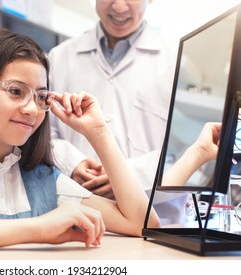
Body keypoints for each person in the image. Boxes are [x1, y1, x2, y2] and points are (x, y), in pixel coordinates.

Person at [0, 28, 217, 250]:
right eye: (15, 91)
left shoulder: (42, 180)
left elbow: (141, 224)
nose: (31, 109)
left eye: (40, 96)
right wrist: (37, 228)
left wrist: (98, 133)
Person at [48, 0, 184, 224]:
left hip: (159, 225)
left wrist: (127, 177)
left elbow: (187, 149)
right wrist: (71, 163)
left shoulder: (177, 60)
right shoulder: (59, 57)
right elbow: (41, 132)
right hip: (75, 219)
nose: (119, 7)